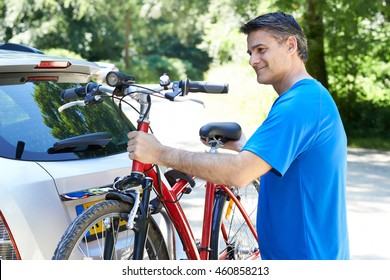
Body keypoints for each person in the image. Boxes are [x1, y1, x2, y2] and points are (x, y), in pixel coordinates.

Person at [127, 11, 350, 260]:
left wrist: (159, 153)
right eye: (250, 53)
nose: (253, 60)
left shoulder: (300, 104)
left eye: (261, 50)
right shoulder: (307, 97)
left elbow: (240, 172)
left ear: (290, 45)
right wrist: (244, 146)